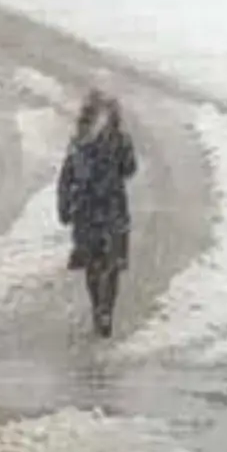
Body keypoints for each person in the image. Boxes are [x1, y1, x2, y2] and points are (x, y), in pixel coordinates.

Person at [57, 90, 137, 338]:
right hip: (112, 209)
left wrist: (65, 206)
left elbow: (66, 177)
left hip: (86, 210)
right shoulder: (119, 140)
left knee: (93, 263)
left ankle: (97, 307)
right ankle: (106, 310)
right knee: (110, 264)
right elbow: (129, 169)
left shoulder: (78, 142)